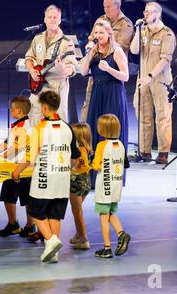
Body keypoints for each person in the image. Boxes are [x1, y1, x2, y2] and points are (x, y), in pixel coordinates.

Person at [13, 91, 81, 263]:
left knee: (35, 211)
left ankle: (51, 240)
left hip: (44, 177)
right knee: (54, 214)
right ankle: (53, 252)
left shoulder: (39, 129)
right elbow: (75, 155)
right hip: (63, 177)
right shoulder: (67, 127)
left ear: (44, 107)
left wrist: (17, 172)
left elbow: (30, 157)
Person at [130, 1, 176, 164]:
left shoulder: (167, 34)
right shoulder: (142, 31)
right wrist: (137, 30)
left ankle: (163, 151)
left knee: (162, 115)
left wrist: (150, 75)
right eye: (145, 12)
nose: (146, 15)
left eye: (149, 12)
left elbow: (165, 59)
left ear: (157, 14)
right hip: (143, 79)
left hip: (160, 80)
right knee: (143, 113)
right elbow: (134, 50)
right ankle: (144, 150)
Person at [80, 19, 129, 171]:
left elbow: (125, 76)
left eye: (101, 32)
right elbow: (83, 72)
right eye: (96, 32)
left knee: (109, 130)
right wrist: (88, 54)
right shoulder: (93, 50)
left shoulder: (117, 51)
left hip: (113, 93)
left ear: (109, 33)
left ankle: (110, 171)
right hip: (97, 93)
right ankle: (95, 172)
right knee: (94, 129)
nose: (98, 35)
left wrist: (109, 69)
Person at [0, 96, 36, 238]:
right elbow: (6, 142)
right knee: (28, 198)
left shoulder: (23, 127)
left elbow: (14, 149)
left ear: (20, 111)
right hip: (26, 168)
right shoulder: (19, 125)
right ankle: (29, 226)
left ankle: (13, 224)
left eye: (13, 108)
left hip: (18, 168)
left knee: (9, 196)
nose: (10, 110)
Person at [81, 0, 134, 122]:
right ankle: (87, 136)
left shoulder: (126, 24)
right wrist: (90, 49)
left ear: (118, 6)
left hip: (112, 76)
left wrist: (106, 65)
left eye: (109, 6)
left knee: (110, 117)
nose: (106, 9)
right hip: (96, 75)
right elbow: (92, 39)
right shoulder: (100, 20)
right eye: (104, 6)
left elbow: (118, 45)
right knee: (89, 106)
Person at [25, 4, 77, 126]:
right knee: (33, 119)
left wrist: (63, 70)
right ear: (45, 19)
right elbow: (29, 57)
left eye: (55, 17)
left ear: (59, 20)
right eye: (50, 17)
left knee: (56, 124)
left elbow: (72, 67)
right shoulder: (37, 38)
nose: (52, 20)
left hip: (56, 87)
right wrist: (32, 71)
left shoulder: (66, 42)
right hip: (38, 87)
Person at [91, 114, 131, 258]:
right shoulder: (120, 144)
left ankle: (107, 247)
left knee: (103, 217)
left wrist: (94, 163)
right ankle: (121, 234)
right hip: (115, 186)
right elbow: (125, 164)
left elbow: (96, 165)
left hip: (104, 186)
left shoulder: (101, 145)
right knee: (110, 213)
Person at [69, 123, 92, 250]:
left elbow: (74, 165)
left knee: (77, 212)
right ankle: (79, 234)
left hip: (75, 181)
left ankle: (83, 239)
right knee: (78, 210)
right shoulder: (86, 149)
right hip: (86, 181)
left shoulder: (77, 151)